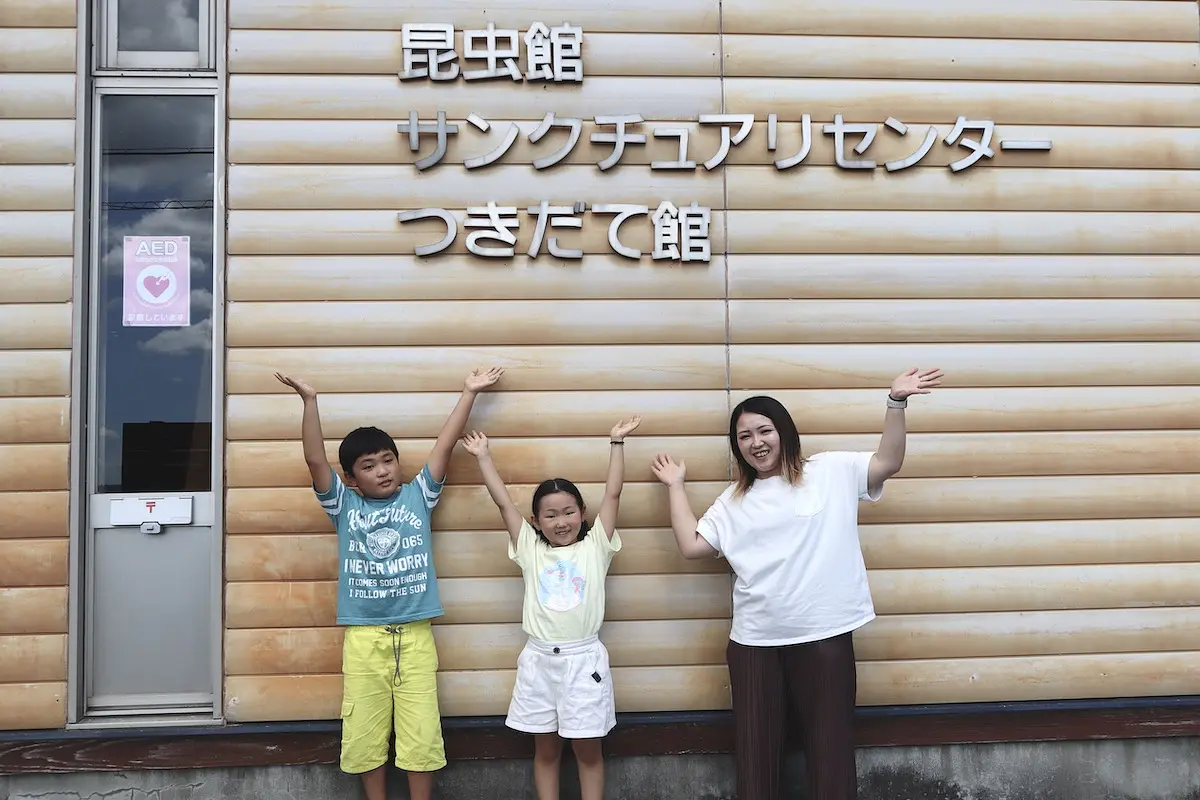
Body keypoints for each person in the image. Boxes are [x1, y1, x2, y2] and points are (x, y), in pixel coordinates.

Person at [650, 368, 944, 800]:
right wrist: (676, 486)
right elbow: (692, 545)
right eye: (744, 436)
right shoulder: (733, 501)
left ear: (784, 431)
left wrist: (895, 403)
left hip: (824, 636)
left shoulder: (829, 471)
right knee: (756, 756)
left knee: (831, 753)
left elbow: (888, 462)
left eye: (764, 430)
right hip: (754, 644)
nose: (756, 443)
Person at [275, 367, 505, 800]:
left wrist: (469, 392)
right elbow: (314, 461)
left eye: (387, 460)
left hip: (416, 637)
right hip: (363, 639)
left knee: (421, 733)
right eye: (368, 465)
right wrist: (310, 401)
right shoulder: (343, 506)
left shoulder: (419, 496)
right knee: (365, 733)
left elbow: (444, 444)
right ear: (350, 478)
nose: (382, 471)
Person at [459, 415, 643, 800]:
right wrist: (482, 456)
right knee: (545, 750)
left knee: (588, 750)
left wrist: (616, 443)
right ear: (536, 522)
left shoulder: (597, 547)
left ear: (582, 513)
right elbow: (502, 502)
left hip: (583, 662)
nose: (562, 522)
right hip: (539, 661)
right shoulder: (530, 549)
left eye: (569, 512)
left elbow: (613, 495)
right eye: (551, 515)